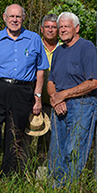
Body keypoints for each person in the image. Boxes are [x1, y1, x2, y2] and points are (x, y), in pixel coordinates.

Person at [0, 4, 49, 175]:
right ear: (4, 17)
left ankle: (10, 177)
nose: (14, 20)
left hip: (22, 91)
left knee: (15, 136)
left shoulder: (34, 39)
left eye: (18, 17)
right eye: (11, 17)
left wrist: (37, 96)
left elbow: (41, 70)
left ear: (23, 18)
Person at [47, 12, 97, 186]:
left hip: (82, 105)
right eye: (60, 27)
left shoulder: (87, 47)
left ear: (76, 28)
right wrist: (57, 99)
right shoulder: (58, 52)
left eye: (66, 26)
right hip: (59, 107)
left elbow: (93, 83)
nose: (62, 30)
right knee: (56, 151)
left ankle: (70, 192)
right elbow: (51, 82)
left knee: (73, 150)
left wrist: (64, 95)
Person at [36, 13, 59, 163]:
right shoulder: (35, 45)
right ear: (41, 29)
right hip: (36, 103)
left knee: (53, 142)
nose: (50, 30)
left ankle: (50, 176)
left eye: (54, 27)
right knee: (30, 141)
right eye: (47, 27)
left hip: (57, 104)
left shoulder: (64, 48)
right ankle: (28, 174)